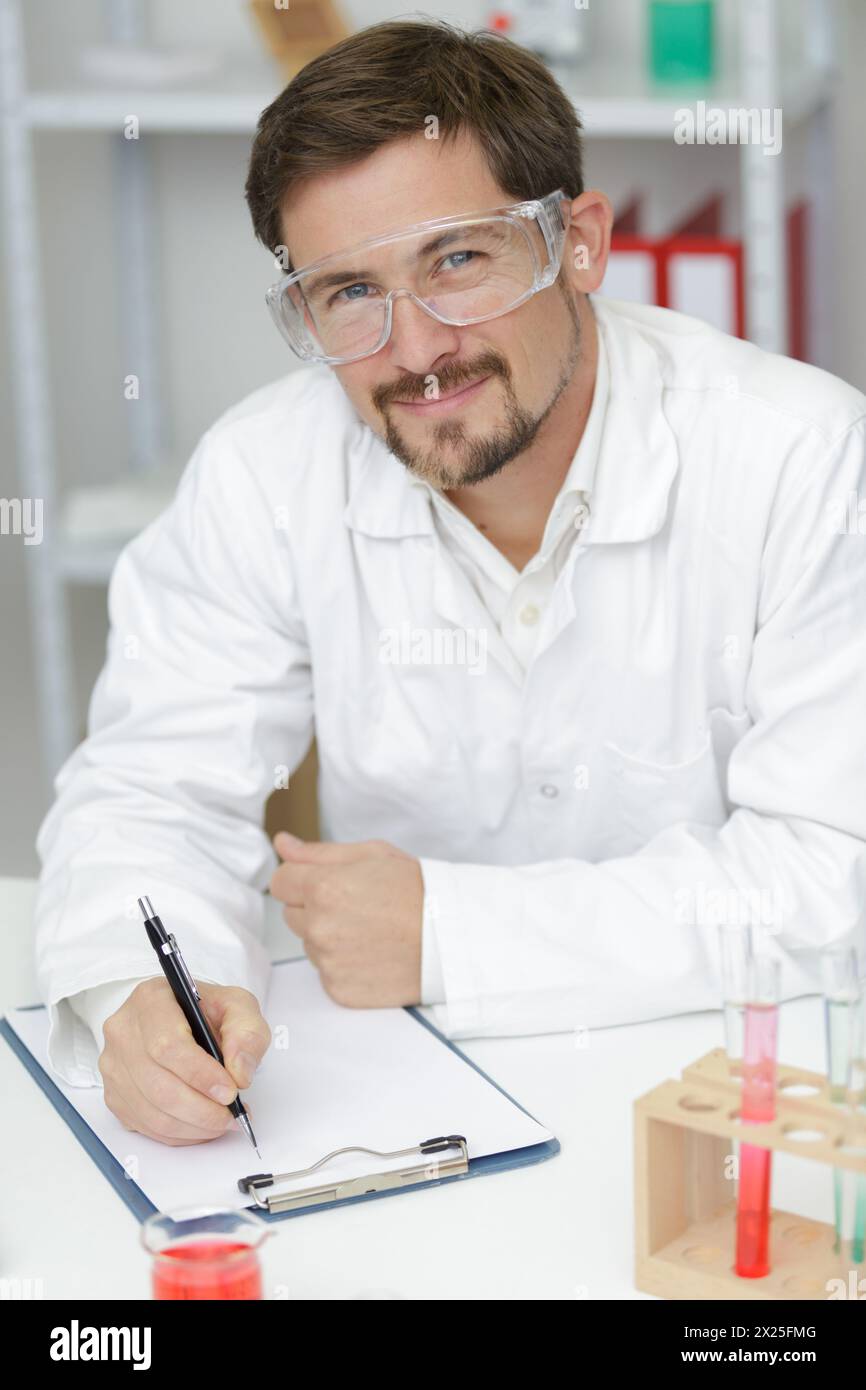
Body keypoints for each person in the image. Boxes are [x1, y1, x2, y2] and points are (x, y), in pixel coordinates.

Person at [33, 20, 866, 1147]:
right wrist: (144, 999)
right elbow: (149, 795)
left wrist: (448, 932)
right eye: (346, 293)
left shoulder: (801, 457)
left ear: (576, 243)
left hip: (729, 1105)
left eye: (457, 260)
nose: (414, 347)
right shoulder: (263, 470)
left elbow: (832, 881)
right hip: (399, 1107)